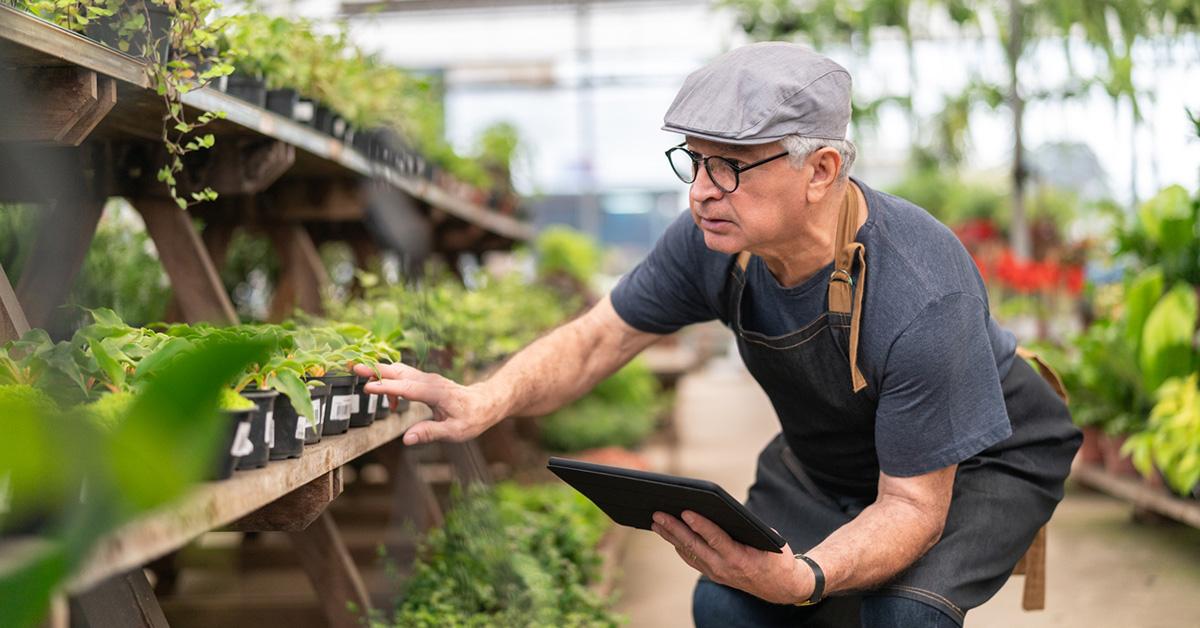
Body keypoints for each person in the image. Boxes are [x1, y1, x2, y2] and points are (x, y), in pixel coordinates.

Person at [355, 42, 1081, 627]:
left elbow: (913, 509)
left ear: (821, 171)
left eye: (729, 166)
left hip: (979, 460)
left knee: (900, 614)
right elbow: (601, 337)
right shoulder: (713, 241)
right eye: (695, 160)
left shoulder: (923, 292)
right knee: (728, 602)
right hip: (833, 460)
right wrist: (490, 398)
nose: (700, 189)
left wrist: (807, 578)